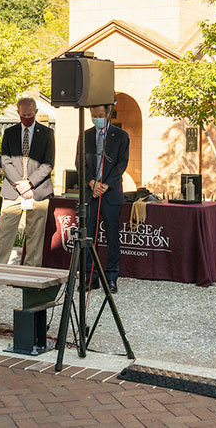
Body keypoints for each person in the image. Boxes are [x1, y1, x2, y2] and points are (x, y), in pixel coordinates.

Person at [0, 97, 55, 266]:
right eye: (23, 115)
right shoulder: (10, 133)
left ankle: (31, 269)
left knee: (35, 234)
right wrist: (20, 184)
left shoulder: (47, 133)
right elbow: (5, 161)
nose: (27, 118)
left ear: (36, 112)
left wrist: (30, 183)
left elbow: (48, 163)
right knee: (4, 231)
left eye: (30, 114)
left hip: (38, 190)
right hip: (14, 189)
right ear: (18, 112)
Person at [83, 104, 129, 293]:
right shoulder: (85, 135)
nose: (97, 118)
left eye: (100, 115)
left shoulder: (121, 136)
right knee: (89, 237)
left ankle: (111, 277)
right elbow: (79, 162)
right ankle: (90, 277)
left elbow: (122, 164)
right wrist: (92, 183)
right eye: (94, 115)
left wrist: (105, 185)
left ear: (108, 114)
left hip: (111, 193)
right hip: (91, 193)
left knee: (112, 237)